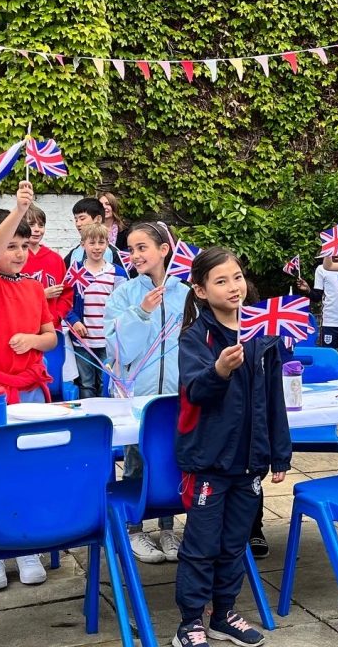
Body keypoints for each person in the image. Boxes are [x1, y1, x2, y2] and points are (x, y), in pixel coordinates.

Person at [173, 247, 291, 647]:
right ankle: (190, 620)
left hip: (250, 464)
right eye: (221, 280)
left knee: (234, 543)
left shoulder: (262, 335)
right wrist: (220, 369)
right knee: (202, 545)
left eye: (237, 277)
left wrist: (278, 452)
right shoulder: (195, 338)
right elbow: (196, 391)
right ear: (201, 290)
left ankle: (223, 613)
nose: (233, 287)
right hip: (209, 461)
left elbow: (274, 398)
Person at [0, 181, 57, 590]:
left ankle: (27, 545)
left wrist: (34, 341)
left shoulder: (35, 287)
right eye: (11, 245)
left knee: (31, 469)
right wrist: (18, 211)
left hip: (30, 389)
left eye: (24, 246)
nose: (19, 253)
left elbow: (50, 336)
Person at [104, 221, 191, 563]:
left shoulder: (185, 293)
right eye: (131, 249)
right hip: (137, 397)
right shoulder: (124, 293)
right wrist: (141, 313)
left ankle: (168, 527)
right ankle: (136, 529)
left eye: (143, 247)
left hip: (176, 395)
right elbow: (118, 348)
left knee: (172, 458)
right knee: (137, 461)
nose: (135, 255)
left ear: (164, 249)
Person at [69, 222, 126, 398]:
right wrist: (74, 321)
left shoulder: (117, 273)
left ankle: (107, 416)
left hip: (108, 341)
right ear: (83, 244)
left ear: (107, 244)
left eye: (101, 243)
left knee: (106, 382)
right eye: (92, 243)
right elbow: (64, 304)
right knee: (86, 384)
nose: (96, 247)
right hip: (83, 340)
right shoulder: (76, 271)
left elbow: (124, 306)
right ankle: (89, 419)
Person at [24, 204, 74, 329]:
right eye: (31, 225)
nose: (37, 229)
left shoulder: (56, 259)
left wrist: (58, 315)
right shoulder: (15, 259)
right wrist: (41, 295)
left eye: (41, 225)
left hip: (52, 328)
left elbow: (66, 294)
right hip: (24, 327)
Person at [297, 255, 338, 354]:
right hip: (330, 322)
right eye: (333, 250)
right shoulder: (321, 269)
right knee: (329, 356)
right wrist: (308, 290)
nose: (337, 254)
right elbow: (317, 297)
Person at [64, 197, 107, 268]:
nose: (78, 224)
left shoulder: (114, 253)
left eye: (82, 218)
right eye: (76, 220)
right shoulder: (74, 253)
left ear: (98, 219)